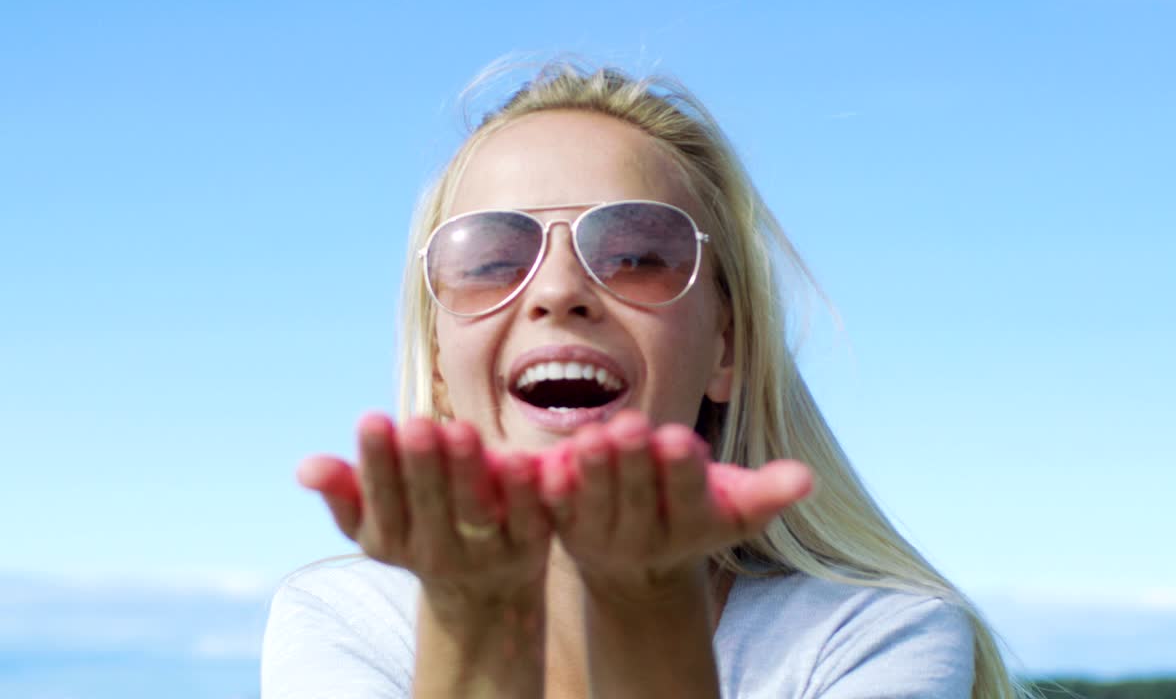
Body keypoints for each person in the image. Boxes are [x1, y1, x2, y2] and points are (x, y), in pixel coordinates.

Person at [261, 60, 1029, 698]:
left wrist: (644, 609)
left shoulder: (874, 636)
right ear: (438, 361)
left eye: (636, 255)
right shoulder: (345, 620)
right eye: (491, 260)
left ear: (726, 349)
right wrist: (472, 618)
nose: (558, 290)